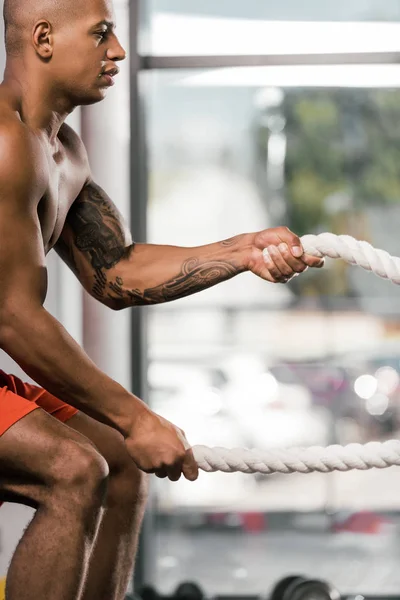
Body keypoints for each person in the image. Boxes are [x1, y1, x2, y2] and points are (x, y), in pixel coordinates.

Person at [0, 0, 325, 598]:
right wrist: (136, 416)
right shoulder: (3, 145)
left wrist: (242, 250)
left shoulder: (61, 150)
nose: (117, 52)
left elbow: (115, 270)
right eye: (101, 35)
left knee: (122, 467)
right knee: (73, 470)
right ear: (43, 38)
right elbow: (14, 317)